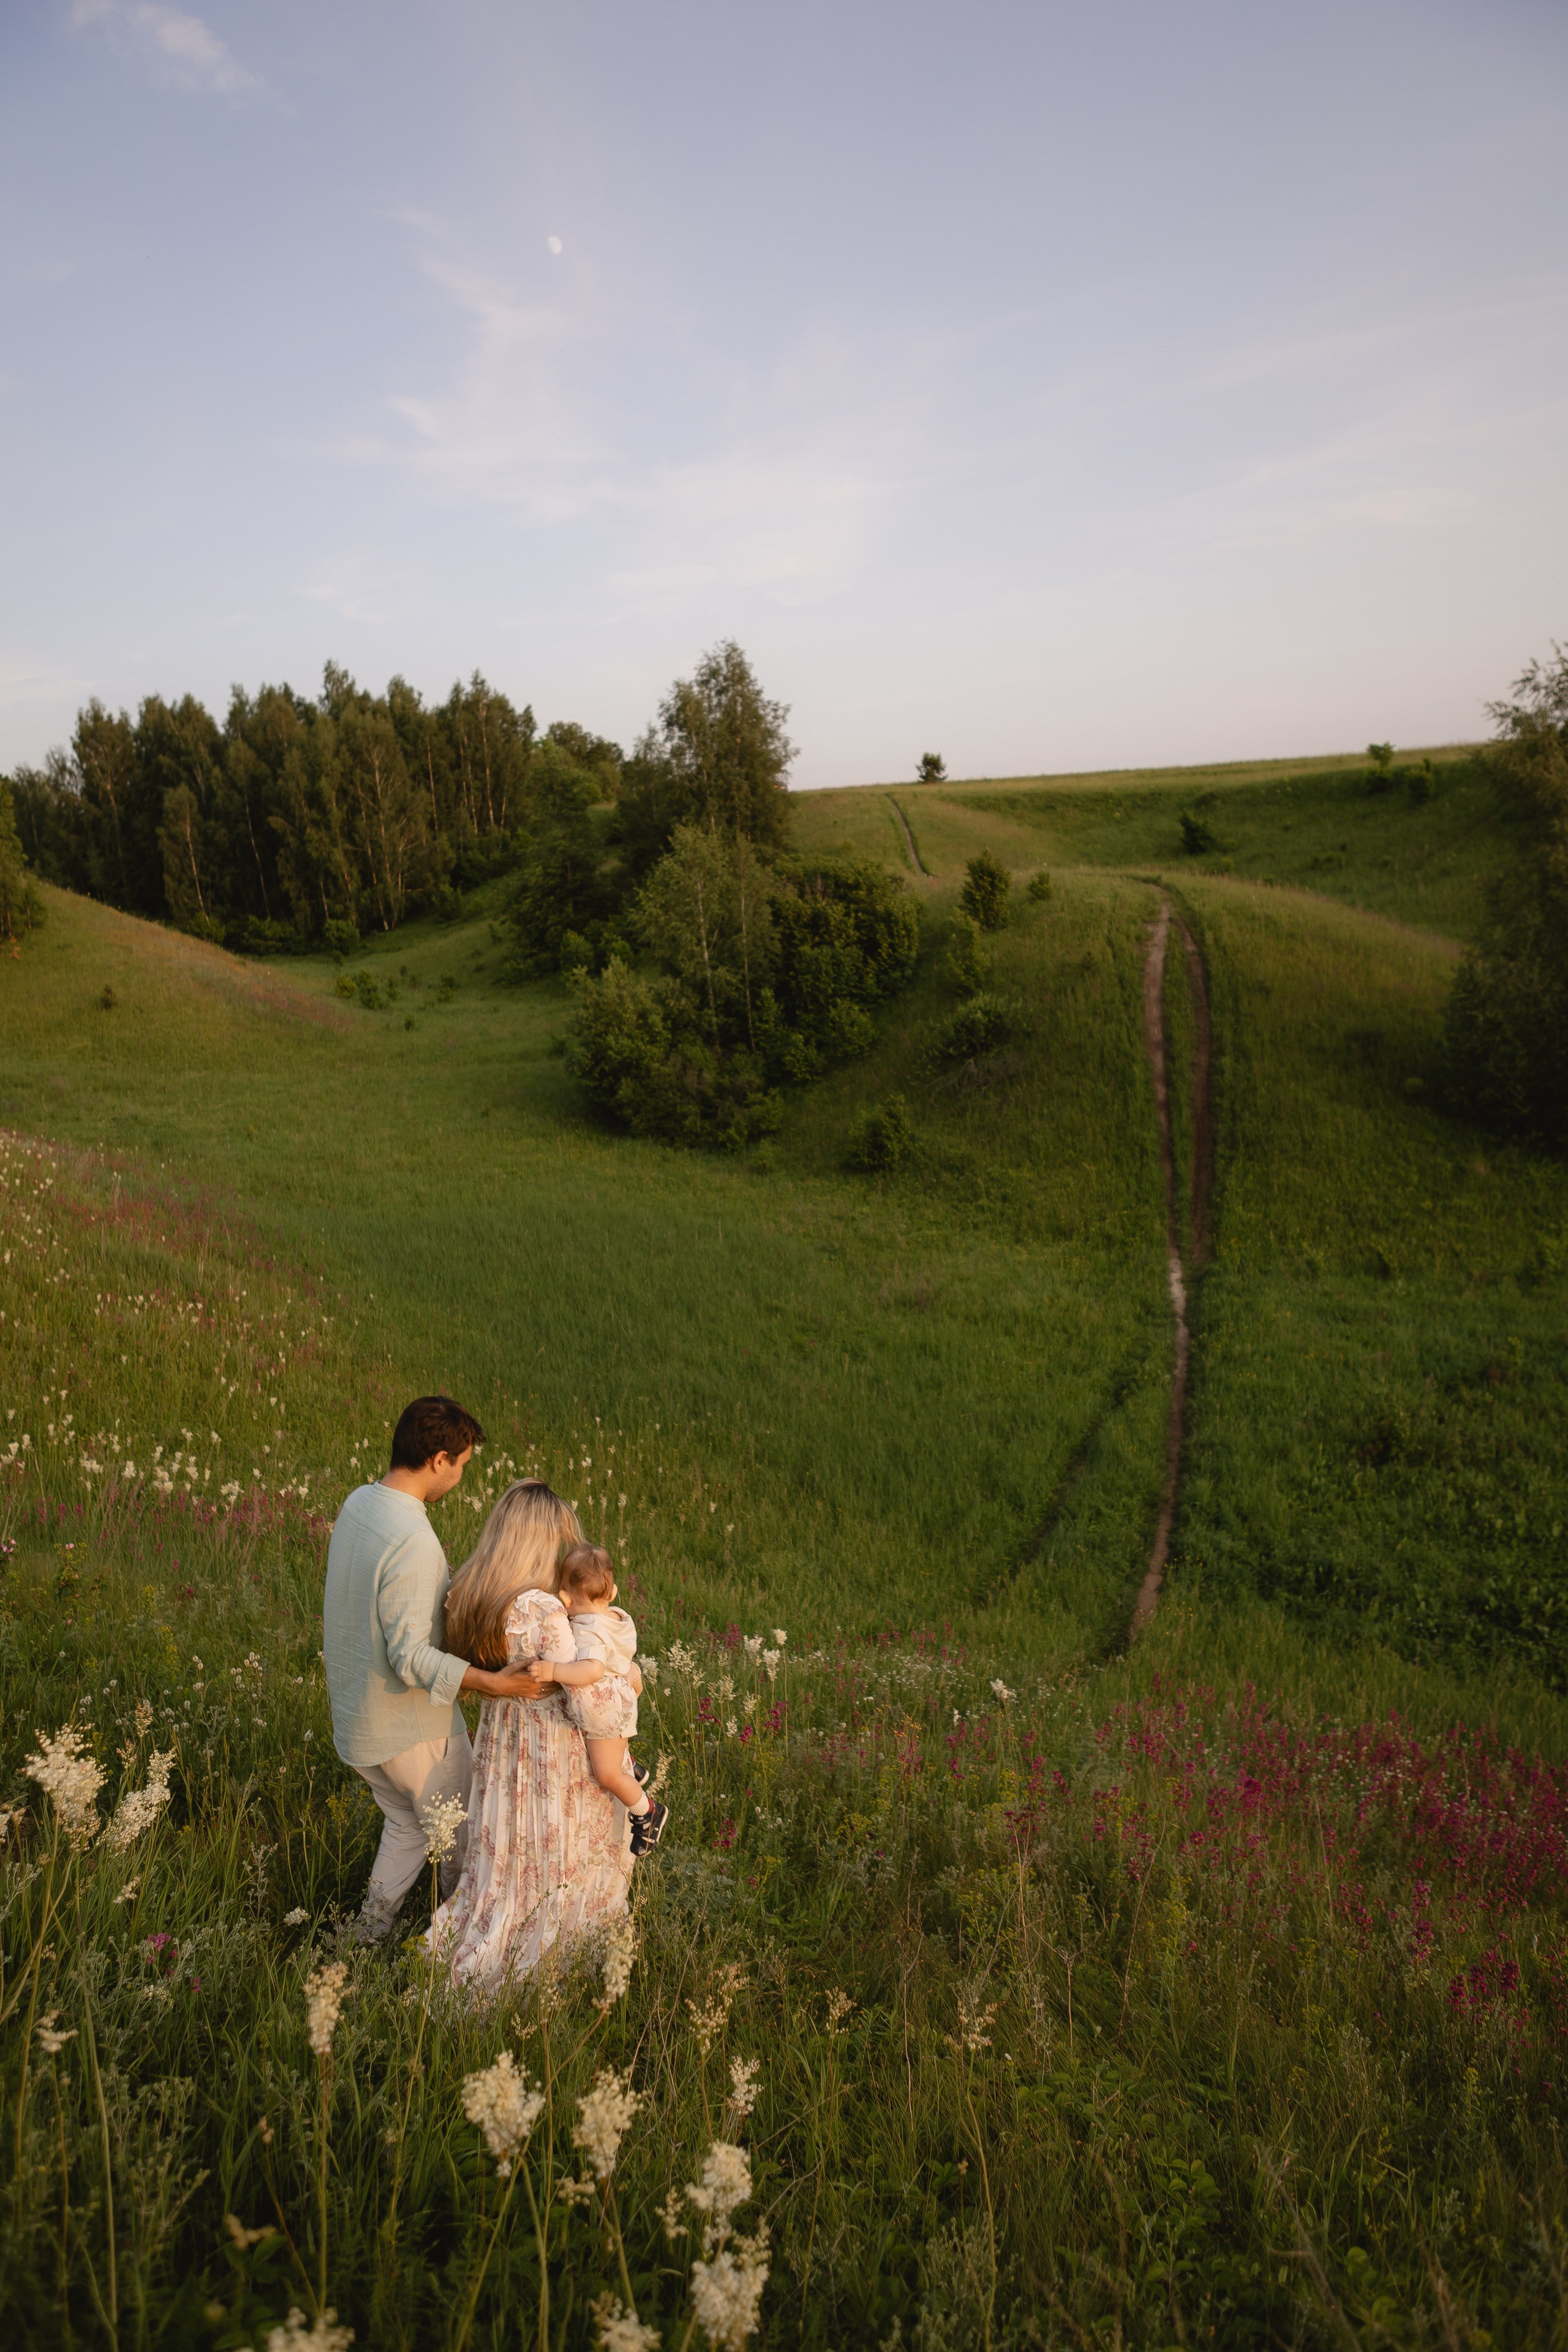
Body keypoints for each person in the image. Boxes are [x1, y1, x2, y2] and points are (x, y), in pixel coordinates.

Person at [322, 1395, 548, 1944]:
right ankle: (454, 1951)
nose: (462, 1477)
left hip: (357, 1719)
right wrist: (494, 1681)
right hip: (410, 1728)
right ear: (440, 1459)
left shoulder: (359, 1504)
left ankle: (363, 1938)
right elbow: (411, 1657)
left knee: (406, 1824)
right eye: (464, 1464)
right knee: (465, 1841)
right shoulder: (414, 1541)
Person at [430, 1479, 635, 1992]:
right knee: (551, 1854)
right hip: (547, 1748)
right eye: (559, 1538)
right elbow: (583, 1696)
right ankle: (546, 1947)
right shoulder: (542, 1609)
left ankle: (492, 1916)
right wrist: (630, 1683)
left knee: (506, 1847)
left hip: (501, 1740)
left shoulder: (471, 1589)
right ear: (539, 1539)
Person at [530, 1542, 668, 1855]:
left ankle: (647, 1811)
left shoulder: (590, 1629)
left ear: (565, 1597)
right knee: (611, 1759)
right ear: (614, 1592)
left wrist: (554, 1670)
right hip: (620, 1700)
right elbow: (623, 1658)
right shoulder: (618, 1617)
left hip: (605, 1709)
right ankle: (630, 1764)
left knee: (606, 1774)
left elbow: (593, 1670)